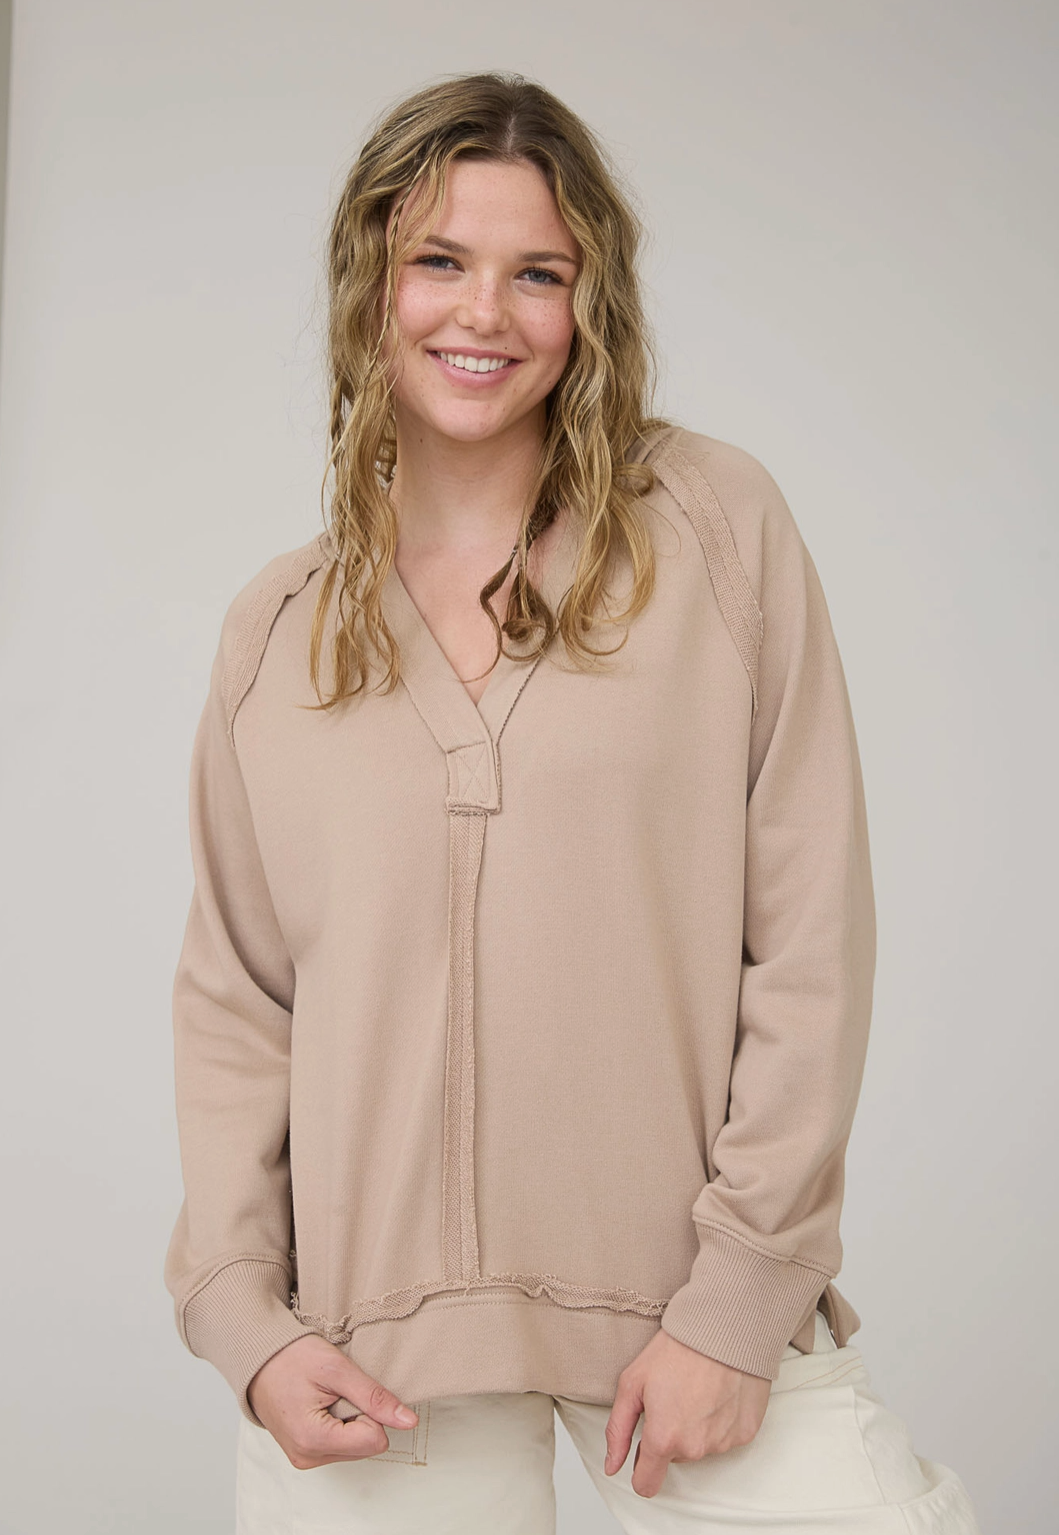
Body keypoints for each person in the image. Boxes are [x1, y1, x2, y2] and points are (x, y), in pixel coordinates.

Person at [163, 70, 982, 1534]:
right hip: (371, 1356)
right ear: (368, 283)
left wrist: (736, 1304)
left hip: (689, 1309)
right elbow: (238, 1004)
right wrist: (249, 1320)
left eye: (535, 272)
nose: (483, 312)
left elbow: (806, 935)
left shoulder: (714, 530)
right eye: (439, 261)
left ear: (587, 304)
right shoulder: (276, 631)